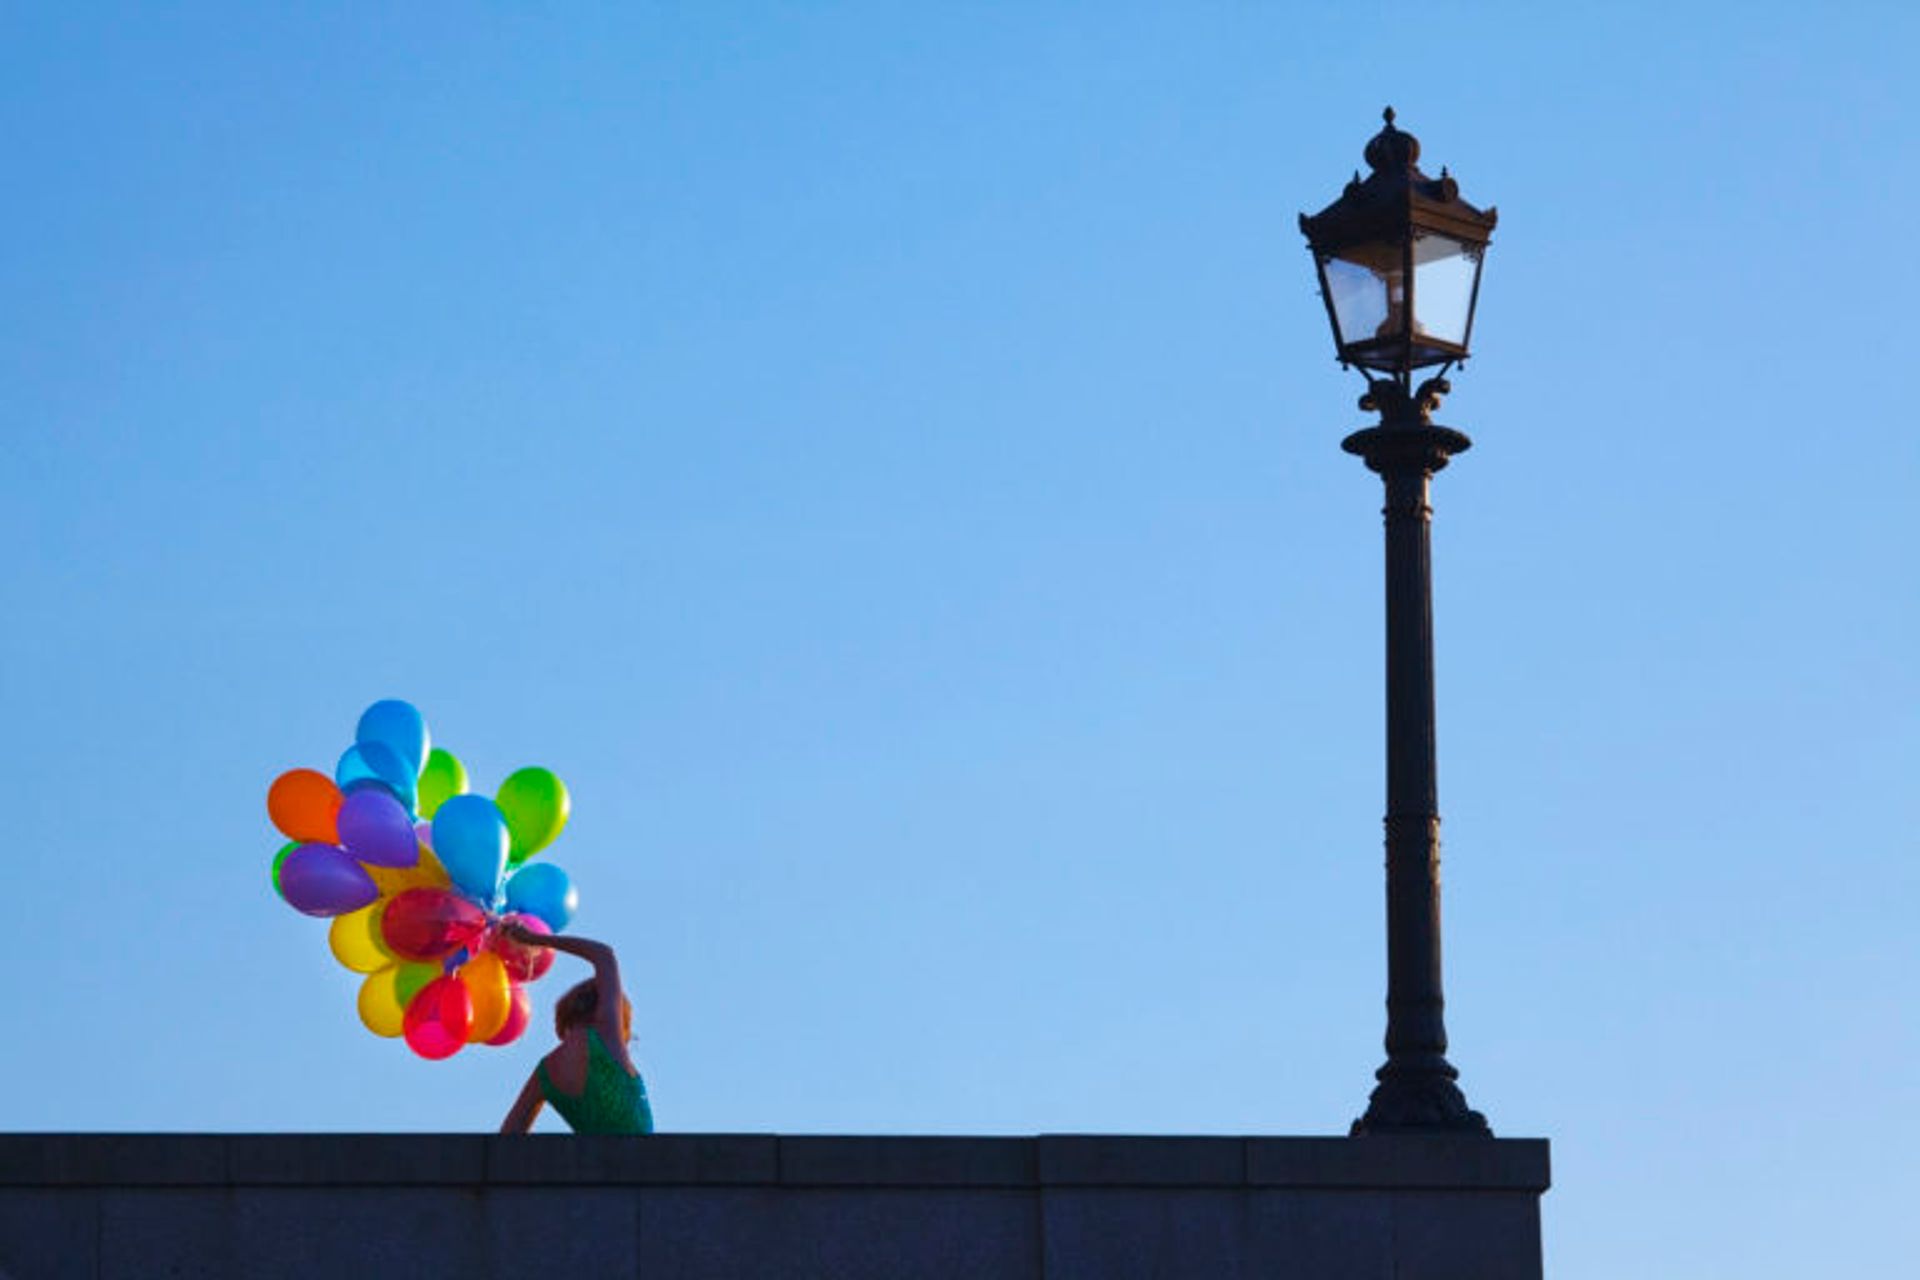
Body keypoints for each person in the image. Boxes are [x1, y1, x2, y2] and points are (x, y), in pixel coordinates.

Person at [497, 924, 654, 1134]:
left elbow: (509, 1133)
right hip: (643, 1162)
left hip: (595, 1164)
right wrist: (535, 939)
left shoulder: (546, 1072)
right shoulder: (607, 1035)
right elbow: (604, 955)